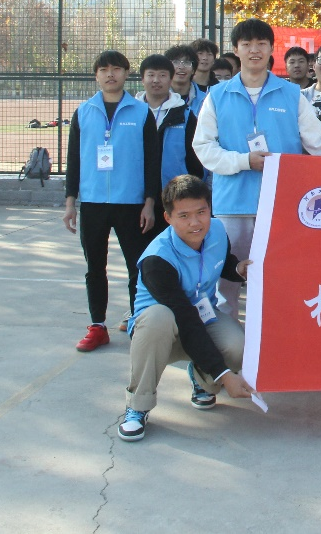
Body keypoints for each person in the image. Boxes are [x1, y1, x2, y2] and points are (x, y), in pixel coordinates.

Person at [193, 19, 321, 318]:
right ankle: (226, 341)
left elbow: (320, 143)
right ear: (236, 50)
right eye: (247, 44)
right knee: (227, 283)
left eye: (261, 44)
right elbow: (203, 147)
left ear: (271, 49)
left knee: (280, 278)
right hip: (233, 205)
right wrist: (244, 161)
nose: (254, 50)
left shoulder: (291, 94)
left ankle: (274, 339)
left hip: (281, 205)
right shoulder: (217, 96)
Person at [118, 175, 254, 442]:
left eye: (201, 212)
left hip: (202, 318)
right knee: (159, 317)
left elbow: (223, 262)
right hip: (160, 333)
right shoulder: (157, 260)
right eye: (184, 216)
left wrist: (238, 269)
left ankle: (202, 379)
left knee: (238, 347)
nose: (195, 223)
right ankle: (138, 406)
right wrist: (225, 376)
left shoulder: (217, 230)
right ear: (168, 218)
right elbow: (184, 317)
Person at [64, 51, 161, 353]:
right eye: (104, 69)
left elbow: (152, 161)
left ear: (126, 74)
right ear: (96, 75)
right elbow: (73, 160)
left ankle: (137, 322)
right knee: (95, 267)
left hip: (131, 203)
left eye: (116, 69)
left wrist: (149, 202)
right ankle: (97, 326)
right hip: (93, 202)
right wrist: (70, 202)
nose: (110, 74)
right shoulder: (83, 112)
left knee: (137, 267)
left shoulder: (141, 112)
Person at [136, 53, 204, 222]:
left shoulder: (185, 115)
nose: (156, 80)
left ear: (170, 79)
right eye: (151, 75)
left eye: (162, 75)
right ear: (142, 79)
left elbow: (196, 158)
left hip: (176, 197)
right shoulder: (131, 114)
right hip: (136, 196)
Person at [165, 44, 203, 113]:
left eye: (187, 62)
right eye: (176, 62)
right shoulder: (158, 98)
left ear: (193, 70)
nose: (181, 67)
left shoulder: (205, 99)